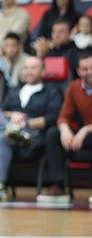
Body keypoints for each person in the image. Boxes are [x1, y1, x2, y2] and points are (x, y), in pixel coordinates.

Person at [0, 57, 62, 201]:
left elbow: (51, 118)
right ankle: (12, 130)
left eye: (33, 68)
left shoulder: (51, 91)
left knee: (1, 136)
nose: (28, 71)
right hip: (10, 127)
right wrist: (12, 115)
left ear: (43, 71)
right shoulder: (15, 90)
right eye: (26, 68)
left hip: (32, 135)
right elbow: (1, 112)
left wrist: (26, 123)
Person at [37, 52, 92, 203]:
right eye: (85, 69)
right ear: (79, 71)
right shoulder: (74, 87)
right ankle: (59, 186)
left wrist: (86, 129)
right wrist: (65, 129)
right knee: (53, 134)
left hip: (88, 133)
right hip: (83, 137)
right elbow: (63, 115)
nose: (90, 72)